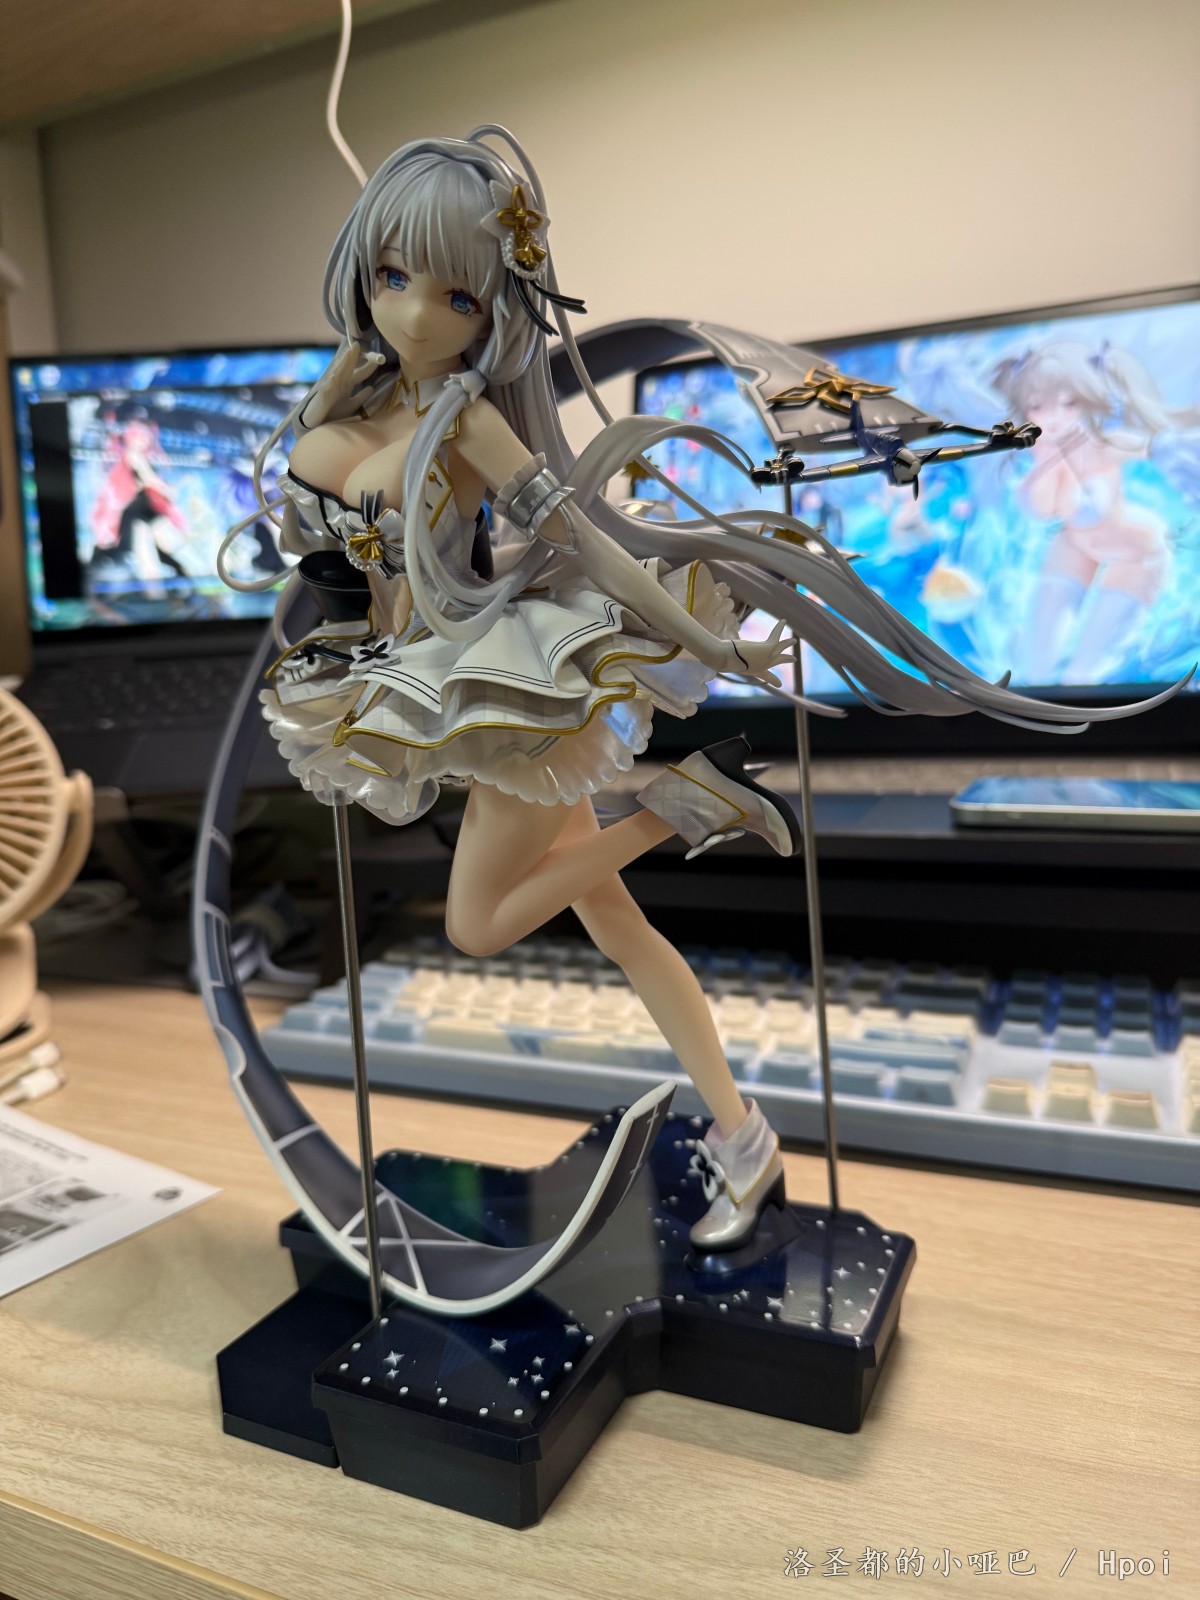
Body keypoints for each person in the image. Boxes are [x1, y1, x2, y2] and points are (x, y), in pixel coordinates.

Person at [219, 130, 1175, 1257]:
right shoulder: (357, 394)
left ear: (497, 311)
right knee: (619, 926)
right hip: (418, 674)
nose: (419, 315)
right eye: (394, 277)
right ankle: (744, 1135)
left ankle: (682, 803)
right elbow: (315, 505)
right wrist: (338, 429)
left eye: (458, 297)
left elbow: (582, 534)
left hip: (500, 692)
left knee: (474, 926)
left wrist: (699, 636)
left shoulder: (470, 420)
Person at [993, 340, 1197, 683]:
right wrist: (1048, 458)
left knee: (1083, 675)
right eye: (1037, 406)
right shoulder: (1041, 456)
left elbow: (1152, 446)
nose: (1053, 417)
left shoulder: (1103, 444)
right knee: (1035, 671)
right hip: (1076, 545)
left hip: (1135, 552)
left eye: (1067, 403)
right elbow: (1042, 509)